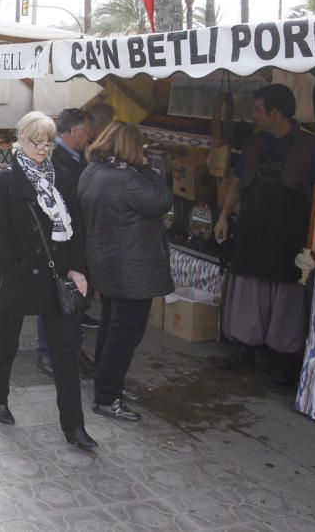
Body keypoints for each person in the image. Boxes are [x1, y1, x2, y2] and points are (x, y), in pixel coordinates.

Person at [0, 111, 96, 450]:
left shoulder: (62, 178)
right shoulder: (5, 182)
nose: (43, 148)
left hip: (55, 278)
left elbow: (76, 230)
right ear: (22, 140)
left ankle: (74, 426)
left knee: (65, 350)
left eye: (48, 142)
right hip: (17, 277)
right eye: (37, 142)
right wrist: (14, 267)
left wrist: (77, 268)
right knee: (7, 339)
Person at [214, 84, 315, 383]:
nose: (253, 115)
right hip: (253, 228)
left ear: (275, 113)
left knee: (287, 296)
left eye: (258, 109)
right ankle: (246, 347)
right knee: (249, 289)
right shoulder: (254, 143)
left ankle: (285, 358)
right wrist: (223, 216)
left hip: (290, 233)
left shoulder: (314, 147)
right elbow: (237, 181)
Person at [79, 121, 174, 422]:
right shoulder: (129, 179)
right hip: (130, 269)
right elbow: (162, 201)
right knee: (124, 334)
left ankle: (108, 383)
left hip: (105, 262)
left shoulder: (92, 171)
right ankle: (107, 397)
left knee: (111, 324)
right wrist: (147, 169)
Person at [36, 109, 98, 378]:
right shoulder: (53, 158)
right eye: (87, 131)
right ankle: (47, 351)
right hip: (58, 238)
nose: (89, 137)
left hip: (78, 237)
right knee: (52, 296)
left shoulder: (79, 157)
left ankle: (72, 348)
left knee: (73, 295)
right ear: (74, 131)